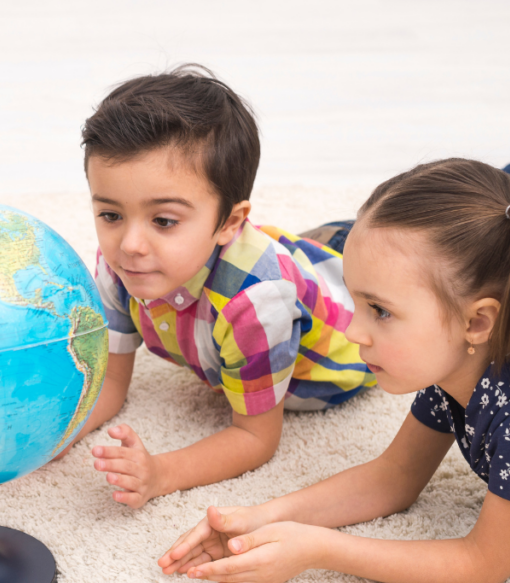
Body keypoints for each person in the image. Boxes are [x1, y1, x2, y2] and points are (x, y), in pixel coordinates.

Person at [160, 158, 510, 583]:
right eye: (356, 301)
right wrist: (262, 518)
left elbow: (482, 563)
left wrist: (318, 550)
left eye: (380, 311)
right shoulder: (453, 365)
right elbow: (394, 478)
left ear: (478, 322)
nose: (353, 331)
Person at [62, 65, 374, 507]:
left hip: (348, 307)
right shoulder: (122, 265)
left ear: (230, 222)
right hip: (294, 257)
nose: (130, 245)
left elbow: (255, 437)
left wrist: (162, 473)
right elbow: (110, 381)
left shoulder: (257, 302)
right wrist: (51, 439)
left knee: (460, 234)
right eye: (111, 215)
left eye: (164, 221)